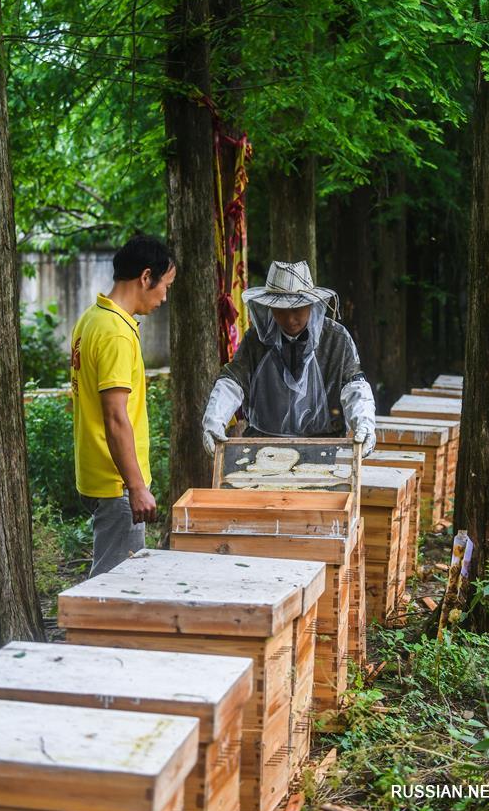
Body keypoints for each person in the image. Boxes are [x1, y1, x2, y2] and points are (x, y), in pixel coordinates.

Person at [70, 235, 176, 576]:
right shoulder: (115, 332)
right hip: (116, 481)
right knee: (114, 589)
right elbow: (115, 417)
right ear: (146, 277)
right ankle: (87, 631)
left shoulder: (92, 318)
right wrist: (136, 486)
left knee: (112, 580)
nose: (165, 296)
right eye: (166, 285)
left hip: (97, 472)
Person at [202, 259, 376, 457]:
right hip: (263, 448)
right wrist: (214, 420)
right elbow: (232, 381)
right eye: (280, 311)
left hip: (324, 448)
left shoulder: (336, 339)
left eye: (296, 309)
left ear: (311, 304)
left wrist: (365, 423)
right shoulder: (256, 340)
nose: (289, 319)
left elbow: (354, 385)